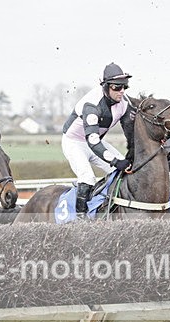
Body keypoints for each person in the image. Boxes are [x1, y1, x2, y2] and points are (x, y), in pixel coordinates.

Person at [61, 63, 134, 216]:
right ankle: (80, 219)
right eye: (116, 87)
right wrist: (115, 161)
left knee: (126, 172)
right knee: (87, 177)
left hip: (96, 142)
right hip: (74, 142)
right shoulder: (92, 105)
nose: (121, 91)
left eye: (124, 87)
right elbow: (93, 141)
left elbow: (130, 133)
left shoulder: (125, 102)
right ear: (105, 86)